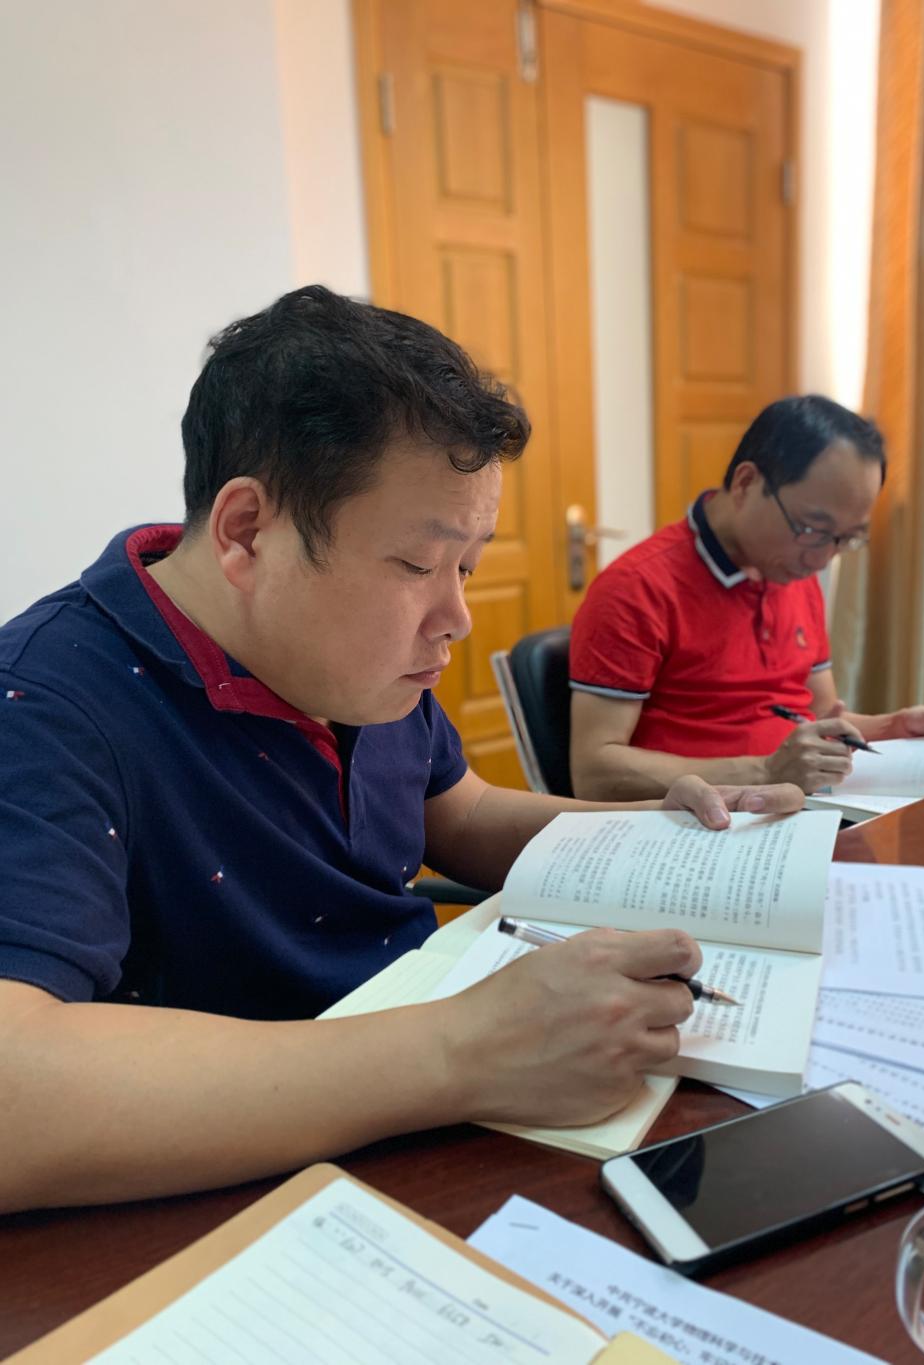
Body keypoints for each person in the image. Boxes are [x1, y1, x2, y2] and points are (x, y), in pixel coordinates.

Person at [0, 287, 803, 1215]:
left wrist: (659, 833)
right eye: (420, 566)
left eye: (467, 565)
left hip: (423, 1112)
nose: (456, 617)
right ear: (247, 531)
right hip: (244, 1193)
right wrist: (465, 1048)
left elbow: (461, 811)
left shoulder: (352, 660)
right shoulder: (47, 703)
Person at [569, 395, 924, 802]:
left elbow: (818, 716)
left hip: (800, 805)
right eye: (811, 529)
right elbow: (594, 773)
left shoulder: (791, 571)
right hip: (702, 822)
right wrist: (765, 771)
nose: (822, 558)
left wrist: (894, 728)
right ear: (747, 483)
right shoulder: (636, 588)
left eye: (846, 538)